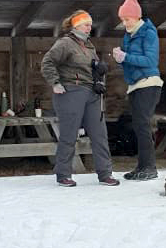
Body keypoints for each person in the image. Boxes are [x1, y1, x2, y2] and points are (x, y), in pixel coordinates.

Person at [40, 10, 118, 187]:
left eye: (90, 25)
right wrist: (55, 83)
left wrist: (99, 73)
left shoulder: (89, 46)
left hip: (91, 92)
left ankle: (105, 173)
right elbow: (47, 62)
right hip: (71, 91)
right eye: (86, 25)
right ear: (76, 25)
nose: (89, 28)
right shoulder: (65, 43)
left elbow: (92, 68)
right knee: (69, 134)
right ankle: (63, 174)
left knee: (99, 134)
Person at [111, 0, 162, 180]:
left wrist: (126, 57)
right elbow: (130, 62)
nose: (125, 23)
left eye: (127, 19)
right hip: (134, 85)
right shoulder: (128, 35)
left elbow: (151, 61)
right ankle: (141, 166)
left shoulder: (148, 33)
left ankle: (150, 168)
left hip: (148, 83)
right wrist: (120, 58)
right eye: (123, 20)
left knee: (143, 126)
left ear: (137, 17)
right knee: (138, 127)